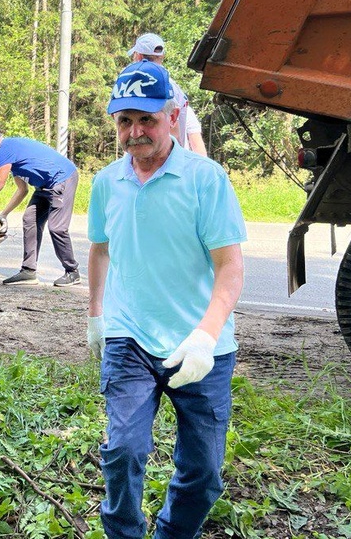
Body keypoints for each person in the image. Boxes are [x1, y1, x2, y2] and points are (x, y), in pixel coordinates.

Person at [87, 59, 246, 539]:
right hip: (130, 338)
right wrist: (97, 316)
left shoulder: (206, 179)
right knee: (123, 451)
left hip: (202, 345)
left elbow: (230, 266)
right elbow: (99, 250)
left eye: (147, 119)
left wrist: (206, 336)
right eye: (125, 121)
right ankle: (124, 533)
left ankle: (173, 533)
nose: (135, 132)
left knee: (204, 471)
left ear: (173, 116)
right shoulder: (107, 182)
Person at [0, 127, 80, 287]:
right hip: (44, 187)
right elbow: (22, 190)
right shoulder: (12, 157)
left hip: (62, 179)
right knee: (30, 219)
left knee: (57, 228)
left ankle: (72, 272)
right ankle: (28, 271)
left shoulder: (6, 148)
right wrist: (4, 214)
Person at [128, 32, 207, 156]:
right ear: (162, 56)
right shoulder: (171, 85)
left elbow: (173, 129)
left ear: (138, 56)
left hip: (161, 160)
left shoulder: (154, 85)